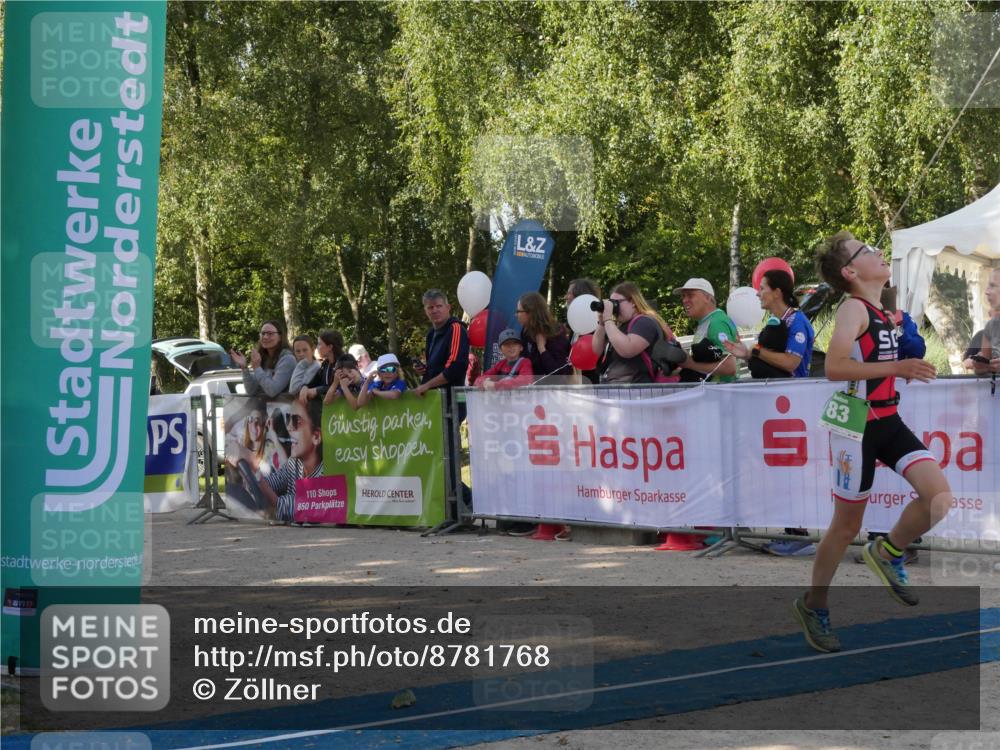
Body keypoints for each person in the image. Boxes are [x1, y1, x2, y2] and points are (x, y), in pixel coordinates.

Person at [793, 232, 953, 654]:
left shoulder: (884, 312)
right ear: (850, 272)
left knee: (938, 498)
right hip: (856, 428)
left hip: (888, 419)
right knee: (845, 527)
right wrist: (899, 363)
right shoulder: (851, 309)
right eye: (866, 251)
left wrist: (906, 349)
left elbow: (885, 360)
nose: (879, 252)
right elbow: (835, 367)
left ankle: (888, 551)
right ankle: (815, 605)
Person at [723, 269, 816, 557]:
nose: (758, 293)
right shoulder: (780, 320)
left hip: (794, 405)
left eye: (762, 287)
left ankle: (800, 536)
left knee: (792, 472)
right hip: (776, 406)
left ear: (777, 291)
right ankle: (791, 532)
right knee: (780, 472)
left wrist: (756, 353)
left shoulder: (797, 320)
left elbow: (790, 362)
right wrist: (747, 353)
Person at [412, 289, 472, 515]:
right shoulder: (431, 335)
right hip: (435, 403)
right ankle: (455, 504)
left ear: (448, 307)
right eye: (430, 307)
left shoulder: (456, 329)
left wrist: (428, 384)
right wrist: (424, 372)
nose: (435, 310)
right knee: (439, 455)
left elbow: (456, 367)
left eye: (438, 306)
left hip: (452, 401)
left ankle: (467, 502)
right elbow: (438, 368)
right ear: (425, 311)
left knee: (448, 454)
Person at [591, 282, 677, 384]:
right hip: (621, 393)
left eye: (616, 303)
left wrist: (608, 320)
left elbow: (627, 349)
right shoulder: (618, 326)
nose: (613, 308)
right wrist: (602, 323)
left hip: (639, 393)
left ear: (632, 302)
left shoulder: (645, 322)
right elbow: (597, 350)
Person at [258, 397, 324, 524]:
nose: (289, 427)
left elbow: (293, 505)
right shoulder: (294, 463)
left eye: (296, 421)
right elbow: (274, 482)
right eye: (288, 418)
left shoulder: (325, 473)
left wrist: (254, 471)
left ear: (315, 436)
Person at [674, 279, 738, 383]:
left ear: (707, 298)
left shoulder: (716, 323)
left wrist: (690, 364)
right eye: (683, 296)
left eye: (690, 295)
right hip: (715, 393)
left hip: (721, 394)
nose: (684, 300)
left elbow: (730, 367)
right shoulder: (708, 320)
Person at [231, 320, 296, 397]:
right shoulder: (263, 358)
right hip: (265, 408)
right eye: (263, 333)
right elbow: (251, 391)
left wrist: (257, 368)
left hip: (285, 408)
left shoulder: (288, 359)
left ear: (280, 337)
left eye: (270, 334)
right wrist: (244, 368)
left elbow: (272, 390)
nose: (265, 337)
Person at [515, 292, 571, 382]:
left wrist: (542, 349)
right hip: (532, 390)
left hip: (552, 391)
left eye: (518, 311)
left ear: (530, 313)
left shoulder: (555, 333)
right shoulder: (526, 331)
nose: (516, 315)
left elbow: (558, 374)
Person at [964, 268, 1000, 376]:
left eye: (993, 286)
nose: (986, 291)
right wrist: (980, 365)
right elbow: (981, 369)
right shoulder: (991, 326)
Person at [565, 278, 602, 384]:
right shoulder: (575, 324)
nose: (566, 297)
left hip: (592, 386)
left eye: (569, 294)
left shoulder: (597, 325)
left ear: (580, 296)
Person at [298, 329, 345, 403]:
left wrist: (318, 390)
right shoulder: (325, 364)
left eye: (319, 344)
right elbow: (315, 381)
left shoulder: (345, 362)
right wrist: (305, 387)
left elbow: (342, 387)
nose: (317, 347)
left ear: (330, 347)